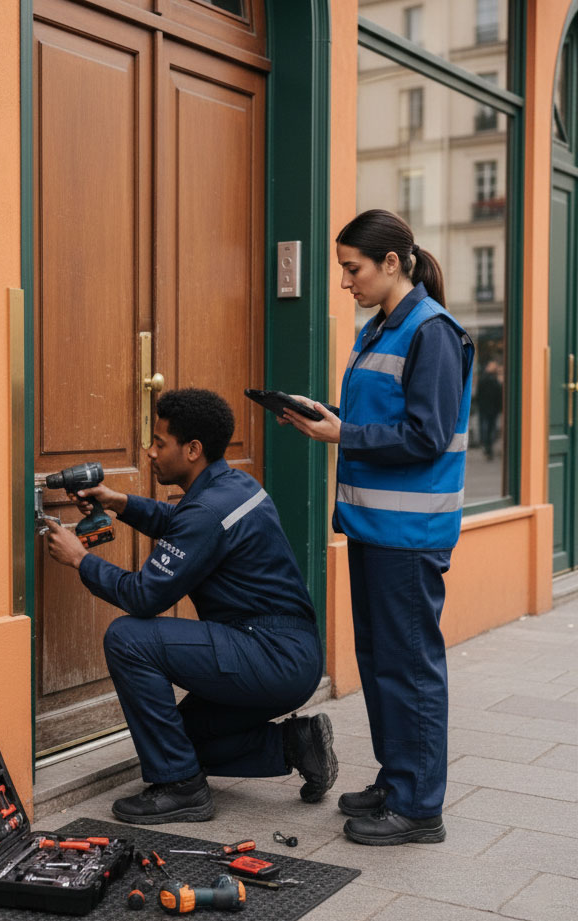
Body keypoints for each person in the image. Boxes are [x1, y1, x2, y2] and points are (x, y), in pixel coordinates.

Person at [44, 388, 337, 825]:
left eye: (160, 443)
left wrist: (80, 560)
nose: (149, 451)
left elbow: (145, 595)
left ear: (192, 449)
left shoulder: (209, 508)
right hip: (289, 653)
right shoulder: (232, 483)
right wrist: (119, 502)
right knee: (180, 739)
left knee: (128, 638)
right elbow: (185, 526)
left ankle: (181, 789)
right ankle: (295, 745)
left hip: (270, 654)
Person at [280, 208, 474, 846]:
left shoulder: (432, 331)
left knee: (410, 668)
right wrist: (327, 417)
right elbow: (381, 422)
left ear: (393, 264)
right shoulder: (381, 329)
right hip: (375, 529)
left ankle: (420, 809)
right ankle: (397, 781)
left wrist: (345, 433)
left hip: (408, 539)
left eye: (352, 268)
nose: (345, 282)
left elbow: (426, 435)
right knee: (383, 663)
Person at [477, 358, 503, 460]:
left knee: (489, 428)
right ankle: (487, 447)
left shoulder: (491, 378)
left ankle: (487, 447)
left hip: (490, 408)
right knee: (488, 428)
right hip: (488, 408)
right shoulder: (489, 378)